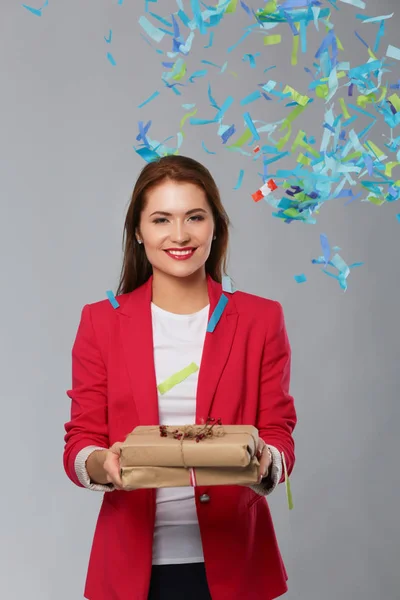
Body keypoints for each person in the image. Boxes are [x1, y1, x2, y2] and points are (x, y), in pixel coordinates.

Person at [63, 154, 297, 600]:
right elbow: (81, 440)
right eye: (160, 219)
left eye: (194, 217)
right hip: (132, 568)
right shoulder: (100, 323)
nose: (179, 235)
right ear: (138, 231)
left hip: (237, 566)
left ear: (215, 225)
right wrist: (103, 464)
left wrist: (266, 459)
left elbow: (279, 432)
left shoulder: (261, 319)